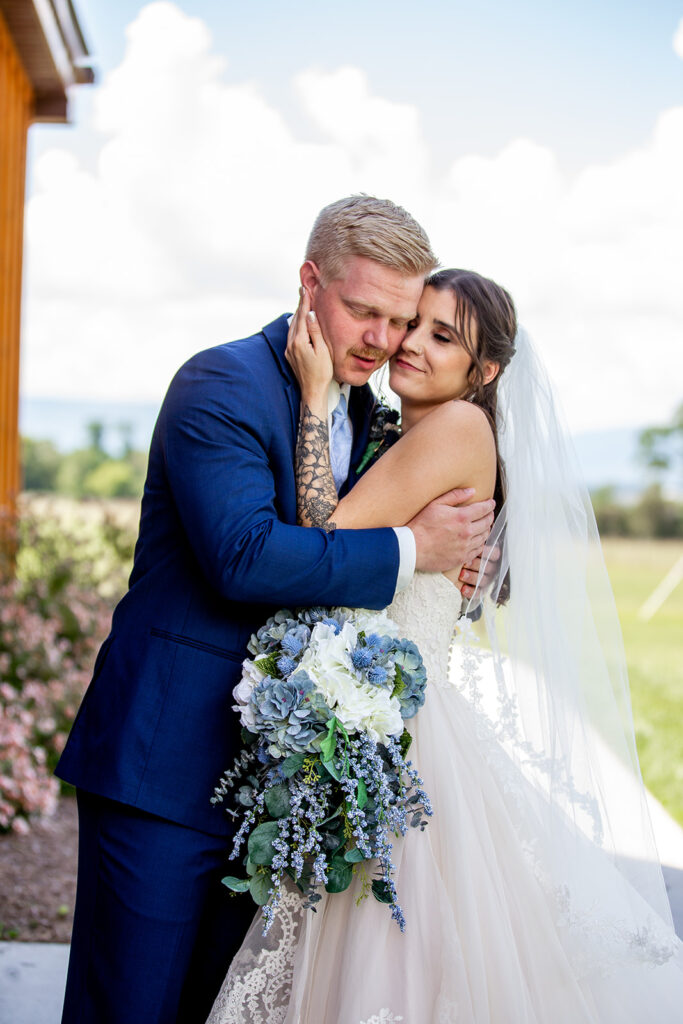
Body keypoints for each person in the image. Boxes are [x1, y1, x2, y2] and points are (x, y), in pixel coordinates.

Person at [55, 197, 498, 1024]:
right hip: (167, 764)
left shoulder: (371, 408)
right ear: (308, 283)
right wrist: (412, 550)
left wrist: (457, 558)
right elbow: (246, 557)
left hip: (283, 785)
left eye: (400, 320)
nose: (381, 338)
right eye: (362, 309)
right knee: (128, 1007)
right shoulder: (220, 383)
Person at [207, 269, 683, 1022]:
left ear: (484, 370)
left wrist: (309, 396)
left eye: (442, 335)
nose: (410, 344)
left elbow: (319, 538)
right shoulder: (409, 430)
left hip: (404, 740)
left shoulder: (458, 429)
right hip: (390, 725)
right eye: (412, 323)